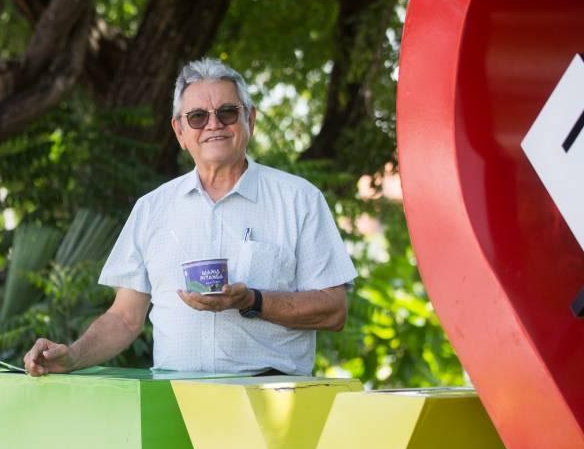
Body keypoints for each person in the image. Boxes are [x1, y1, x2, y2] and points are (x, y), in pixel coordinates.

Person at [23, 57, 356, 378]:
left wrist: (252, 300)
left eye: (227, 112)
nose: (213, 124)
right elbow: (125, 318)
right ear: (180, 131)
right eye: (197, 117)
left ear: (250, 121)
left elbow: (334, 309)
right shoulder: (151, 209)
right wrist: (74, 356)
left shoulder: (299, 199)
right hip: (174, 401)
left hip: (270, 397)